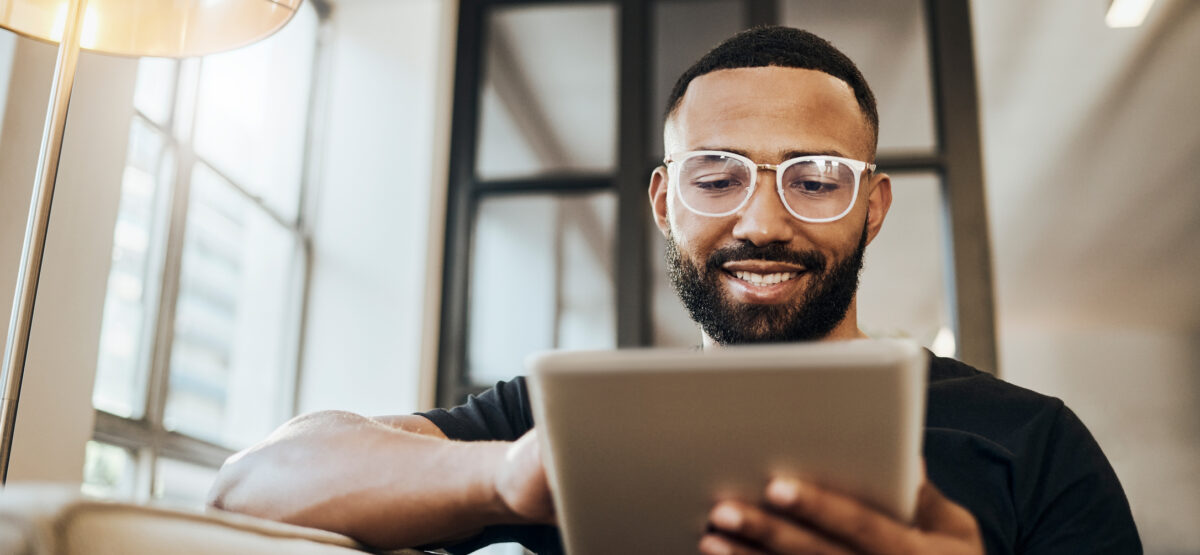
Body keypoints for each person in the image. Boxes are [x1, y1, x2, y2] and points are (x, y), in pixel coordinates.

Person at [207, 26, 1141, 554]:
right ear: (664, 199)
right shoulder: (555, 424)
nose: (764, 222)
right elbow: (252, 489)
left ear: (873, 205)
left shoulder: (1032, 440)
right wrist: (506, 475)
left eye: (815, 178)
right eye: (717, 175)